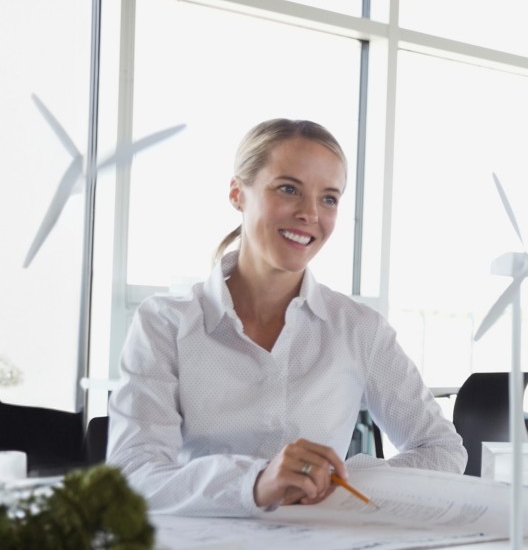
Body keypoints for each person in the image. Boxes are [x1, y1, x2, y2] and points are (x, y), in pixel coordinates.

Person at [109, 119, 465, 516]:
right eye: (288, 189)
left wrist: (341, 482)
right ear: (237, 193)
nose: (309, 214)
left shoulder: (359, 328)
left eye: (328, 198)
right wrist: (256, 483)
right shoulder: (164, 324)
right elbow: (132, 475)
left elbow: (442, 451)